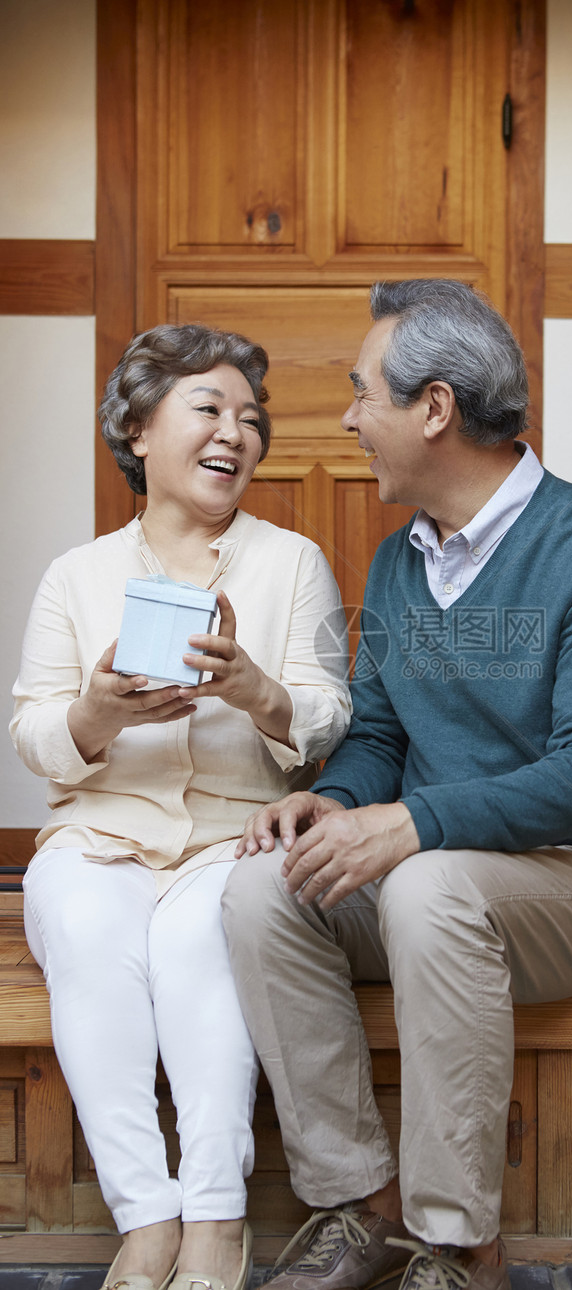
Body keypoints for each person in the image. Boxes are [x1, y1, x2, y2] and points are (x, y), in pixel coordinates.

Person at [222, 279, 572, 1290]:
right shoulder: (397, 564)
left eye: (361, 395)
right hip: (452, 882)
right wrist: (336, 801)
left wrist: (415, 823)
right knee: (264, 884)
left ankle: (458, 1245)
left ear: (432, 409)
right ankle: (363, 1209)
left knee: (432, 884)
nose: (347, 419)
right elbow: (381, 731)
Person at [10, 323, 351, 1290]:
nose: (234, 433)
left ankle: (212, 1218)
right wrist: (96, 713)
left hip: (233, 839)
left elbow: (331, 716)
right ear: (137, 429)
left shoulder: (293, 563)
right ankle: (144, 1215)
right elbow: (31, 727)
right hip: (100, 834)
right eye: (208, 408)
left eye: (251, 418)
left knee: (203, 938)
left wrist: (253, 688)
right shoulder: (77, 576)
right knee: (81, 924)